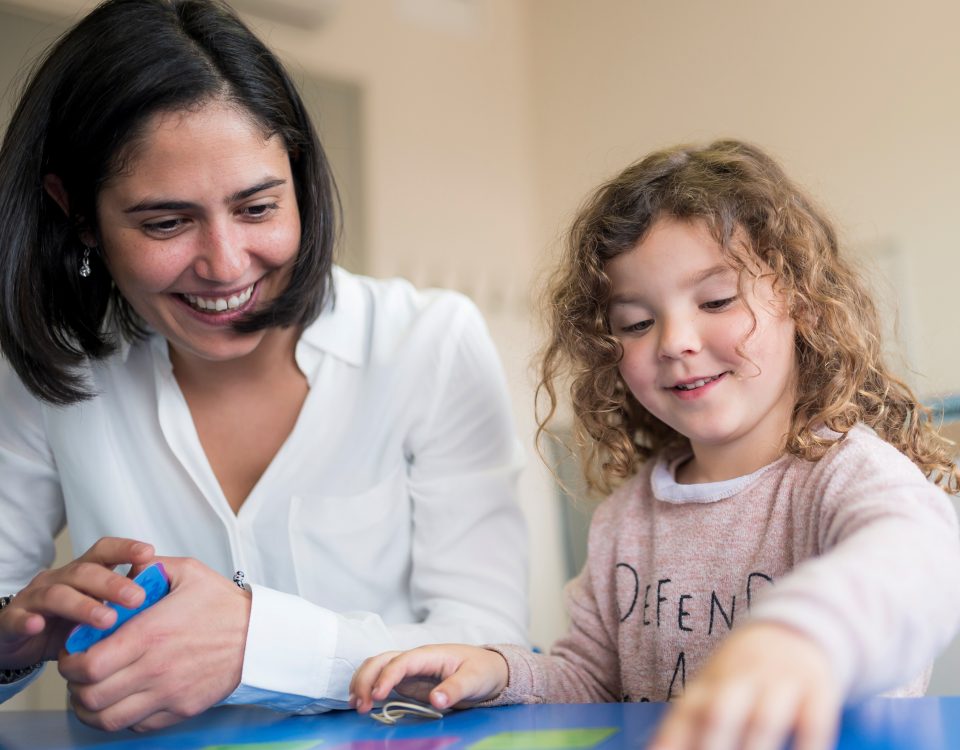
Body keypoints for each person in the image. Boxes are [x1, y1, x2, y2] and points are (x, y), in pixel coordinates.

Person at [0, 0, 528, 732]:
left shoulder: (427, 344)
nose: (224, 265)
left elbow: (488, 645)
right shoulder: (47, 371)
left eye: (256, 208)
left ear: (300, 182)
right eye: (167, 222)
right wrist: (9, 643)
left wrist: (255, 641)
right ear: (78, 212)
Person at [350, 140, 960, 750]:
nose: (675, 341)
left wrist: (804, 635)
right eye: (637, 323)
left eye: (717, 300)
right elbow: (590, 680)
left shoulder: (848, 472)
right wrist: (500, 671)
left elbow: (919, 562)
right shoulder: (626, 517)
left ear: (804, 306)